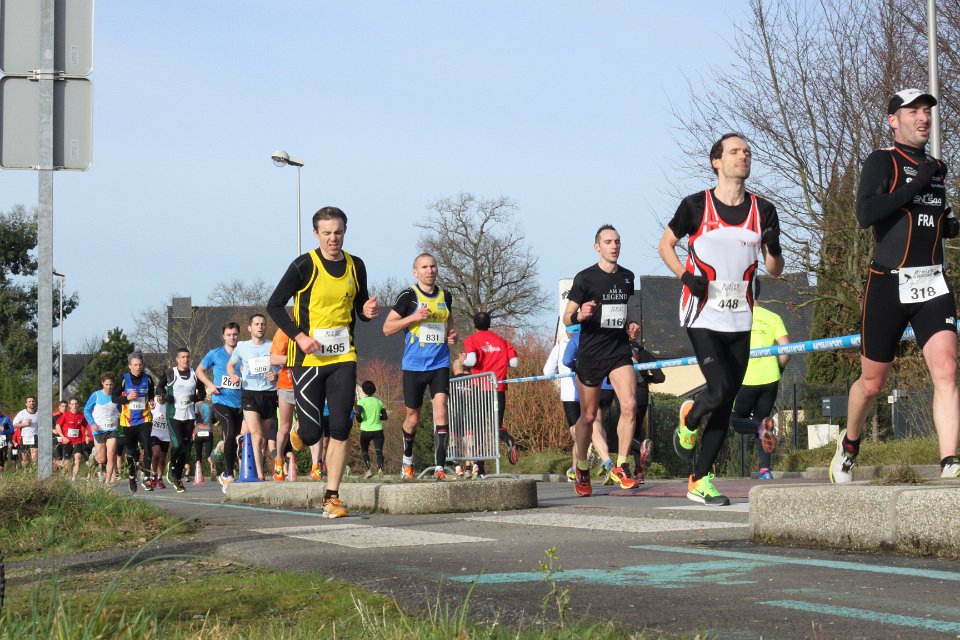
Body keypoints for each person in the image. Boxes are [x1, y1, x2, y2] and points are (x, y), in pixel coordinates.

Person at [832, 88, 960, 482]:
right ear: (893, 120)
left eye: (927, 111)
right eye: (914, 111)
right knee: (873, 383)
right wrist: (915, 185)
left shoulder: (937, 168)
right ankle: (850, 444)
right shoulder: (881, 161)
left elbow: (940, 223)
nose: (923, 117)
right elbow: (865, 213)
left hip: (931, 281)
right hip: (888, 283)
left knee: (947, 369)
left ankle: (950, 460)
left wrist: (950, 221)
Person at [658, 132, 784, 506]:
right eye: (734, 152)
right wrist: (685, 276)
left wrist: (774, 248)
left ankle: (699, 479)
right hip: (702, 313)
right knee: (719, 389)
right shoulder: (695, 205)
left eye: (747, 152)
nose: (743, 157)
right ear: (717, 161)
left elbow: (774, 269)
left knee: (726, 399)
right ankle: (690, 420)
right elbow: (665, 244)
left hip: (741, 318)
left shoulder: (764, 210)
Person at [266, 206, 378, 518]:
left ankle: (332, 497)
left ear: (345, 231)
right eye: (327, 233)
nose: (333, 238)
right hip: (307, 359)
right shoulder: (304, 265)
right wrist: (299, 336)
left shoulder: (356, 265)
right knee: (313, 433)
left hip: (343, 356)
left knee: (341, 427)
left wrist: (367, 312)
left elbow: (360, 306)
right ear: (316, 234)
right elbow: (274, 305)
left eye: (338, 232)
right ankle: (301, 432)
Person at [562, 226, 641, 496]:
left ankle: (622, 465)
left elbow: (624, 307)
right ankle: (582, 467)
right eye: (608, 242)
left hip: (618, 350)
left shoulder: (627, 277)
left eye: (617, 241)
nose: (614, 246)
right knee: (588, 416)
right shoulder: (585, 278)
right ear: (598, 247)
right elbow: (567, 317)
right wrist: (579, 316)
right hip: (591, 353)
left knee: (630, 405)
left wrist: (631, 323)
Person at [382, 253, 458, 480]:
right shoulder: (408, 296)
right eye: (424, 267)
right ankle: (407, 458)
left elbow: (449, 322)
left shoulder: (446, 295)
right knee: (413, 419)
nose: (430, 270)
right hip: (414, 366)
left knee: (441, 409)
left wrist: (452, 334)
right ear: (415, 272)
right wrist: (412, 318)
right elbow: (387, 328)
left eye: (433, 266)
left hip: (439, 363)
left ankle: (440, 467)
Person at [731, 302, 790, 480]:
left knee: (736, 421)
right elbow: (786, 350)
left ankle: (760, 428)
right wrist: (779, 369)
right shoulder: (773, 317)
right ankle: (765, 470)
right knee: (763, 423)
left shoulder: (735, 316)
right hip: (771, 378)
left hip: (747, 378)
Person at [462, 312, 520, 476]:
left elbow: (472, 361)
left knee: (479, 428)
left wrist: (462, 362)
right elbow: (514, 362)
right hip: (498, 388)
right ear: (490, 324)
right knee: (496, 425)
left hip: (480, 389)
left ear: (474, 325)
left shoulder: (471, 339)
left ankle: (480, 468)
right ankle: (507, 438)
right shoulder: (501, 340)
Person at [227, 314, 278, 482]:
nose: (260, 327)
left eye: (262, 324)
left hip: (269, 394)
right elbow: (230, 365)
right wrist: (233, 375)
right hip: (250, 393)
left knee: (263, 438)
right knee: (256, 435)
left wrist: (275, 375)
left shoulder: (272, 346)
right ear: (250, 328)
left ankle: (258, 466)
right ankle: (259, 474)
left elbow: (282, 366)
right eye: (256, 324)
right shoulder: (242, 347)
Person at [561, 329, 617, 481]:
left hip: (593, 384)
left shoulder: (578, 337)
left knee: (591, 427)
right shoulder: (606, 334)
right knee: (598, 426)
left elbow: (566, 361)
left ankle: (607, 462)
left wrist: (578, 366)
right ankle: (579, 467)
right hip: (609, 387)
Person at [196, 322, 244, 492]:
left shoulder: (244, 353)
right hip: (221, 400)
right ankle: (228, 474)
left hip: (240, 402)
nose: (232, 337)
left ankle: (222, 459)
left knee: (235, 438)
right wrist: (210, 385)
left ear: (239, 335)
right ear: (223, 336)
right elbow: (199, 370)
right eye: (229, 335)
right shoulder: (214, 354)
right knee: (230, 434)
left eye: (235, 334)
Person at [157, 348, 206, 492]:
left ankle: (177, 477)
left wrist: (197, 397)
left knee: (186, 449)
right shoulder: (170, 373)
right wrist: (165, 396)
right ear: (177, 359)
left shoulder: (194, 374)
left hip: (189, 415)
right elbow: (159, 387)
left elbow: (202, 392)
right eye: (182, 357)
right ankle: (172, 466)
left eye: (187, 357)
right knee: (178, 444)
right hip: (174, 414)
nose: (185, 359)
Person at [113, 352, 157, 493]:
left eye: (140, 365)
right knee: (131, 451)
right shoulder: (123, 379)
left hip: (144, 418)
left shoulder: (148, 379)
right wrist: (127, 398)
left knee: (148, 447)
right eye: (135, 365)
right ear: (130, 366)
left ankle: (147, 477)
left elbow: (151, 394)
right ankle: (132, 477)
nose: (138, 367)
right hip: (128, 421)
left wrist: (152, 401)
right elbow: (114, 398)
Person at [627, 320, 664, 482]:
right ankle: (639, 472)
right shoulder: (646, 354)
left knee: (624, 431)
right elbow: (660, 377)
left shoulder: (618, 351)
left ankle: (640, 447)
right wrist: (647, 378)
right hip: (641, 394)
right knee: (636, 431)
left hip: (625, 394)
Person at [268, 328, 297, 481]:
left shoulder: (315, 325)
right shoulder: (285, 330)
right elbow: (274, 358)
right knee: (285, 427)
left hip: (309, 383)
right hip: (287, 383)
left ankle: (316, 466)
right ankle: (279, 461)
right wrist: (297, 359)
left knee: (311, 423)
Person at [85, 372, 120, 484]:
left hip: (112, 430)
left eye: (111, 384)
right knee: (101, 458)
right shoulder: (96, 395)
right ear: (102, 383)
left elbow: (122, 410)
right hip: (99, 430)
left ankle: (107, 481)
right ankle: (93, 455)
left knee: (111, 454)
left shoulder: (116, 396)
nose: (109, 387)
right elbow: (86, 410)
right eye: (106, 384)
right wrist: (92, 423)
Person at [355, 380, 388, 478]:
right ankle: (380, 469)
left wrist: (360, 420)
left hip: (365, 430)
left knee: (364, 450)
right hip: (378, 430)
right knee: (379, 450)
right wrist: (377, 417)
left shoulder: (361, 402)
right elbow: (385, 417)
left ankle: (368, 470)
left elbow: (358, 414)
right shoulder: (379, 402)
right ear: (374, 390)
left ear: (363, 391)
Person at [54, 397, 88, 481]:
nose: (74, 406)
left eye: (76, 404)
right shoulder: (66, 415)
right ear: (69, 405)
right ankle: (62, 479)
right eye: (72, 404)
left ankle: (74, 479)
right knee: (67, 462)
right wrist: (63, 437)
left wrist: (86, 435)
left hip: (78, 441)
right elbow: (57, 426)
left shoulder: (81, 415)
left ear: (78, 404)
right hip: (67, 442)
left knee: (78, 459)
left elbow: (86, 426)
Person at [149, 395, 170, 489]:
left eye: (162, 395)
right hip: (154, 433)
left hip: (166, 434)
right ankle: (153, 474)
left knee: (162, 458)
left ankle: (160, 478)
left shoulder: (169, 404)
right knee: (156, 453)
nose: (161, 397)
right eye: (159, 395)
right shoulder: (152, 402)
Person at [13, 396, 40, 466]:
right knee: (25, 460)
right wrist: (24, 424)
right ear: (26, 404)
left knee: (35, 458)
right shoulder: (22, 413)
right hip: (24, 437)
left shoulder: (39, 413)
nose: (31, 403)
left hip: (35, 437)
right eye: (29, 401)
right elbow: (14, 425)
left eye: (33, 401)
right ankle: (25, 471)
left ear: (35, 403)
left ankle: (33, 471)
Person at [193, 400, 215, 481]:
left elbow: (193, 417)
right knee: (208, 455)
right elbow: (214, 420)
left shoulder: (195, 405)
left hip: (198, 432)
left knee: (198, 455)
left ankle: (199, 474)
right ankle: (212, 464)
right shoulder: (210, 406)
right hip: (208, 432)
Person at [0, 406, 13, 472]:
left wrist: (4, 430)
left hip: (2, 440)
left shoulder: (6, 418)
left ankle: (2, 471)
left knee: (2, 457)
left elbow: (12, 431)